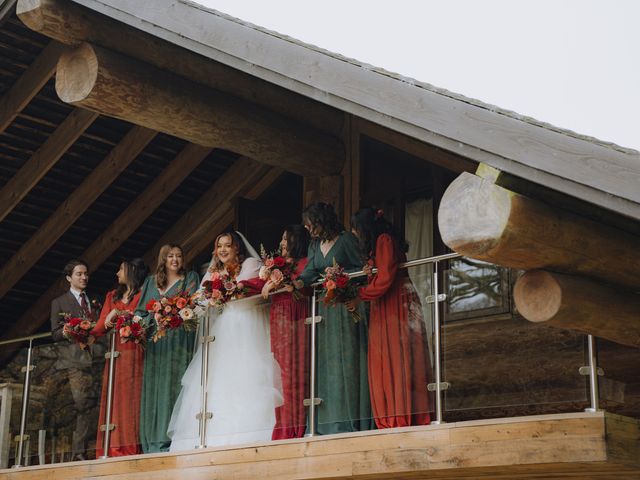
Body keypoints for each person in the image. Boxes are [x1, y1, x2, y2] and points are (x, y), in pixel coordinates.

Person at [168, 231, 283, 450]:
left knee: (246, 374)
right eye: (219, 246)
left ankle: (249, 431)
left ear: (237, 248)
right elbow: (200, 299)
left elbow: (253, 288)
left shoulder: (249, 263)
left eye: (227, 245)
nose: (222, 250)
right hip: (224, 327)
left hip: (246, 322)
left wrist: (228, 291)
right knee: (219, 378)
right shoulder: (213, 271)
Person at [347, 207, 432, 428]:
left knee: (397, 355)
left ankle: (398, 415)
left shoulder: (384, 240)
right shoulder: (381, 243)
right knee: (389, 356)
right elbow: (382, 273)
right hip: (386, 304)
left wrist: (360, 295)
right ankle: (392, 414)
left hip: (396, 304)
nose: (354, 234)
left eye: (356, 229)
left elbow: (386, 278)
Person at [297, 203, 373, 434]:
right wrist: (294, 282)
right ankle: (328, 421)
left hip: (345, 306)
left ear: (323, 220)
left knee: (348, 359)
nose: (309, 229)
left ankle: (352, 420)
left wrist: (343, 281)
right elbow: (310, 272)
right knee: (326, 362)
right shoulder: (314, 245)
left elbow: (362, 269)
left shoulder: (346, 240)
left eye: (312, 224)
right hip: (325, 310)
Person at [136, 244, 199, 453]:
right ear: (163, 259)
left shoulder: (189, 278)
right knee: (154, 385)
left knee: (174, 384)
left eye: (179, 256)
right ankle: (152, 440)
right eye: (170, 256)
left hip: (179, 341)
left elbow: (192, 306)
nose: (175, 260)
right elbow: (140, 311)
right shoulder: (150, 282)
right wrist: (137, 325)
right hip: (156, 344)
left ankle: (171, 439)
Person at [91, 258, 148, 456]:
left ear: (131, 271)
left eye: (120, 269)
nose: (117, 273)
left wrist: (117, 312)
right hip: (116, 352)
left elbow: (143, 316)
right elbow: (101, 326)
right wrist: (80, 329)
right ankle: (113, 446)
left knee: (132, 396)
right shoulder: (112, 295)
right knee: (115, 396)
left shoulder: (143, 293)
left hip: (135, 350)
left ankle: (130, 446)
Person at [261, 225, 311, 439]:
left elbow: (306, 285)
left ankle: (295, 426)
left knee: (295, 369)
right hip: (278, 315)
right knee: (279, 370)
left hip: (294, 314)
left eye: (285, 239)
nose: (281, 243)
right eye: (282, 239)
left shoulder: (304, 263)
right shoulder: (278, 265)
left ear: (296, 241)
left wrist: (275, 283)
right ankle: (281, 424)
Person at [49, 259, 99, 461]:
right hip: (73, 361)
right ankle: (77, 452)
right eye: (79, 274)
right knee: (81, 404)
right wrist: (71, 330)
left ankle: (90, 448)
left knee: (93, 404)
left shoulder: (94, 301)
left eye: (86, 273)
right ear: (69, 277)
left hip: (95, 359)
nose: (84, 277)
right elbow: (54, 333)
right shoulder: (59, 302)